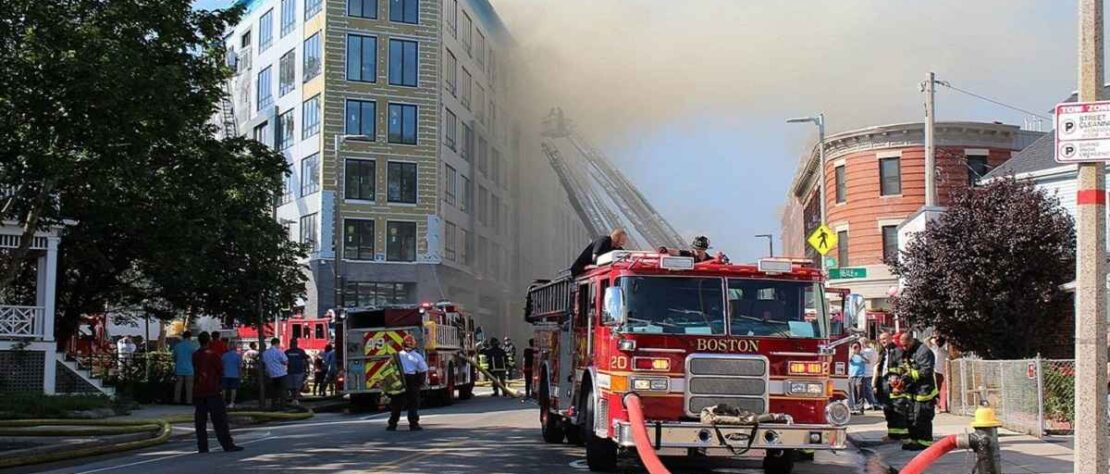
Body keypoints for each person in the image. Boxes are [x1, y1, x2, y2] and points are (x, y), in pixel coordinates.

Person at [192, 331, 243, 453]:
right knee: (219, 420)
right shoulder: (213, 355)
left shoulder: (195, 355)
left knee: (200, 421)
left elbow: (196, 369)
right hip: (212, 390)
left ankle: (202, 446)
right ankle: (227, 444)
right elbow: (220, 371)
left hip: (199, 390)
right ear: (208, 341)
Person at [898, 332, 938, 451]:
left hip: (924, 391)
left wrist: (909, 375)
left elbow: (926, 371)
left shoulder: (924, 351)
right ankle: (914, 441)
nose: (904, 348)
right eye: (902, 346)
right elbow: (904, 364)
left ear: (911, 341)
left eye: (905, 345)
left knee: (922, 417)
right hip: (913, 390)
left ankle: (925, 443)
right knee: (912, 417)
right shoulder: (909, 350)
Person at [873, 331, 908, 442]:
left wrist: (895, 377)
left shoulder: (897, 351)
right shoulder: (883, 353)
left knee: (898, 411)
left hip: (894, 385)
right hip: (884, 385)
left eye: (884, 338)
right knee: (888, 410)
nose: (883, 341)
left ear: (890, 338)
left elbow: (902, 368)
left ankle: (902, 436)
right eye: (881, 339)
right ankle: (892, 435)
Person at [388, 335, 428, 431]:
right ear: (414, 344)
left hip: (399, 380)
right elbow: (423, 371)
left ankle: (392, 424)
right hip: (412, 380)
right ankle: (413, 424)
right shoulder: (417, 356)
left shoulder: (397, 355)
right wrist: (420, 383)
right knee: (413, 403)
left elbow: (389, 368)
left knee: (396, 403)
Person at [262, 338, 289, 410]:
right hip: (281, 374)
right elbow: (286, 362)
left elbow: (263, 363)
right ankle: (283, 407)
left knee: (274, 392)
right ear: (277, 343)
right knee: (283, 391)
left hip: (271, 375)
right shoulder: (279, 352)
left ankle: (273, 406)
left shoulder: (265, 353)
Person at [173, 331, 199, 405]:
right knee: (189, 387)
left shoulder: (177, 346)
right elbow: (195, 357)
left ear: (183, 337)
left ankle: (176, 400)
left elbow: (174, 357)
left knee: (178, 386)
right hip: (189, 369)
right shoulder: (192, 346)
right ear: (190, 337)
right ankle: (189, 401)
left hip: (179, 368)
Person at [659, 236, 726, 263]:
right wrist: (665, 249)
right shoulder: (688, 255)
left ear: (705, 249)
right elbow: (676, 252)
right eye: (696, 248)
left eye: (700, 249)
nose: (697, 250)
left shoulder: (710, 260)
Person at [285, 338, 309, 404]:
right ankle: (294, 399)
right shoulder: (287, 352)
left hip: (298, 372)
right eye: (291, 343)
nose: (292, 344)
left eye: (293, 343)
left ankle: (295, 399)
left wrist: (307, 370)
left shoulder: (300, 351)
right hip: (290, 372)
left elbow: (306, 361)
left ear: (296, 343)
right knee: (292, 386)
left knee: (296, 386)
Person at [928, 336, 949, 413]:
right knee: (938, 390)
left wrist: (932, 337)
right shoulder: (943, 351)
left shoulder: (936, 349)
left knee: (936, 390)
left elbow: (927, 340)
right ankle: (939, 406)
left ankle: (938, 406)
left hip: (937, 372)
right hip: (938, 372)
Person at [860, 338, 880, 410]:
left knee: (867, 390)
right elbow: (876, 361)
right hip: (871, 371)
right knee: (869, 389)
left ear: (863, 343)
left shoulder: (864, 352)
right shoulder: (874, 351)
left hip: (865, 372)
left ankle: (873, 403)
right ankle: (872, 402)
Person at [221, 344, 243, 409]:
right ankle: (232, 402)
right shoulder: (238, 356)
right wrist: (240, 375)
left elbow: (221, 364)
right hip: (235, 375)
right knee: (233, 389)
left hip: (225, 374)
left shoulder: (224, 355)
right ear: (235, 348)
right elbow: (239, 367)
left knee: (224, 389)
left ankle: (223, 402)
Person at [848, 342, 866, 413]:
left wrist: (860, 355)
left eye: (857, 347)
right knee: (853, 392)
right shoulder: (851, 355)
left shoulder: (862, 355)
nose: (855, 349)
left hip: (860, 376)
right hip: (852, 376)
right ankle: (854, 408)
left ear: (860, 348)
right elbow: (849, 360)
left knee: (860, 392)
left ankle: (860, 408)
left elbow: (868, 361)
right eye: (854, 347)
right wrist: (852, 354)